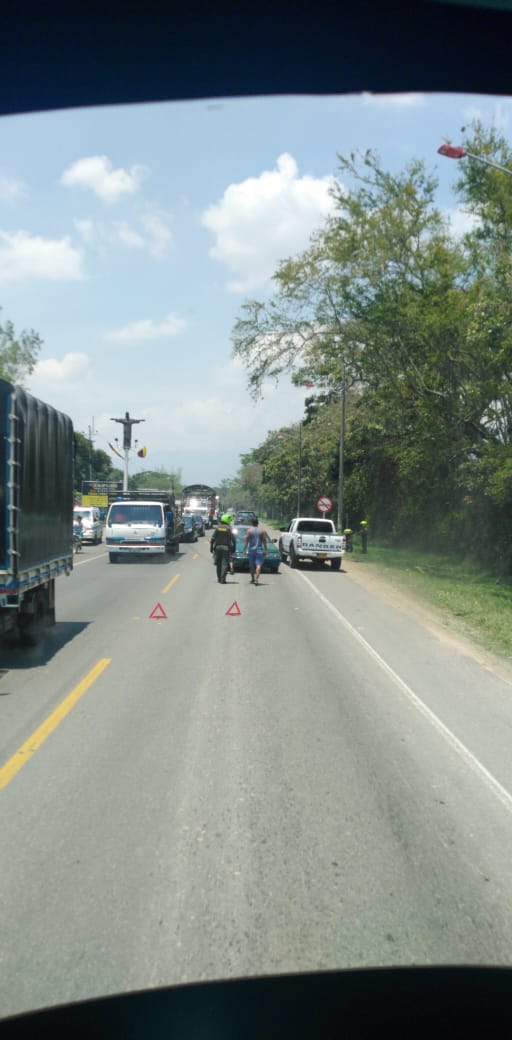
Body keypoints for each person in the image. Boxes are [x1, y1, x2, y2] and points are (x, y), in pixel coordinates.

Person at [210, 513, 235, 583]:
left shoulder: (218, 528)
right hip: (226, 548)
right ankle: (223, 579)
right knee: (224, 564)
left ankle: (219, 579)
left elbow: (212, 539)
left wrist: (211, 548)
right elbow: (233, 540)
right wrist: (234, 548)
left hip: (217, 548)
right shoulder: (229, 529)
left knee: (218, 564)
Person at [243, 517, 268, 586]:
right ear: (258, 523)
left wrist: (244, 550)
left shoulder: (249, 531)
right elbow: (264, 541)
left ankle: (252, 578)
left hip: (251, 550)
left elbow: (246, 541)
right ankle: (257, 579)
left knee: (251, 566)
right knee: (258, 565)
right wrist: (266, 550)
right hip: (259, 550)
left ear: (252, 523)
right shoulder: (262, 531)